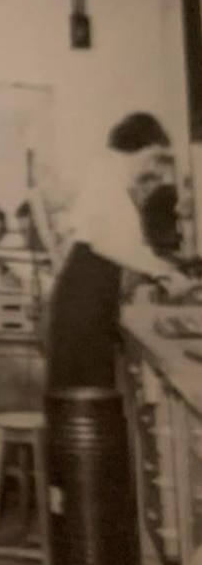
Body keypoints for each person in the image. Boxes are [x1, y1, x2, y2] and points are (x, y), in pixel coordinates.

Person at [47, 112, 198, 391]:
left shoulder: (107, 174)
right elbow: (105, 243)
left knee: (87, 400)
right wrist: (163, 273)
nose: (154, 168)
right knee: (86, 402)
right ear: (143, 148)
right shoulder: (107, 176)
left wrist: (163, 273)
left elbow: (120, 245)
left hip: (86, 296)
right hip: (85, 301)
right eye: (155, 158)